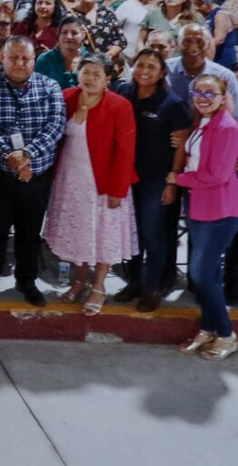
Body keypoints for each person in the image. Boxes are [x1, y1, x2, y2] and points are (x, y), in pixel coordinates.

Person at [43, 55, 138, 316]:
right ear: (77, 72)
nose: (90, 78)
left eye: (97, 74)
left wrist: (118, 189)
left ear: (108, 79)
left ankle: (98, 287)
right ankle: (79, 281)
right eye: (86, 72)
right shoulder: (67, 97)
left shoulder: (120, 106)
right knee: (77, 235)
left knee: (102, 236)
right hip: (70, 180)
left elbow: (126, 152)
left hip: (104, 184)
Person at [0, 37, 66, 306]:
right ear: (2, 58)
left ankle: (27, 281)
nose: (19, 63)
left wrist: (26, 156)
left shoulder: (50, 87)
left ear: (33, 60)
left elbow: (55, 126)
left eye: (25, 59)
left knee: (30, 232)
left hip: (36, 174)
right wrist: (11, 157)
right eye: (13, 58)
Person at [116, 48, 191, 313]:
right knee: (131, 233)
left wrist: (172, 182)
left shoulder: (172, 104)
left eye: (151, 67)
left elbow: (182, 146)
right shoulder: (124, 92)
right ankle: (134, 281)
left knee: (152, 234)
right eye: (140, 65)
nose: (144, 71)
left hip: (157, 180)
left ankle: (153, 287)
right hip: (127, 176)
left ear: (161, 73)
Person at [175, 74, 238, 360]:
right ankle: (208, 327)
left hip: (221, 210)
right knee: (208, 274)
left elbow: (217, 175)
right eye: (198, 92)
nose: (203, 97)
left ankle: (226, 335)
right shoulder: (201, 123)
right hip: (200, 208)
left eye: (210, 93)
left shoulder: (227, 128)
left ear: (222, 96)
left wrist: (177, 178)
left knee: (201, 273)